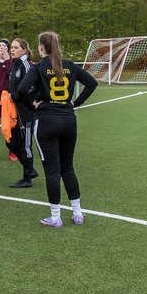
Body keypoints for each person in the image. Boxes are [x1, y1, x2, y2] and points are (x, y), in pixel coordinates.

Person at [16, 31, 98, 227]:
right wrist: (74, 103)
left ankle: (55, 217)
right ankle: (78, 213)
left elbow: (21, 90)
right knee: (68, 168)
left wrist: (32, 105)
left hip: (46, 121)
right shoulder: (69, 65)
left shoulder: (39, 67)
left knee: (52, 171)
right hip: (69, 120)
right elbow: (92, 83)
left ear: (42, 47)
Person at [7, 37, 39, 188]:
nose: (12, 50)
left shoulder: (26, 65)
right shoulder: (14, 65)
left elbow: (28, 89)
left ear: (24, 50)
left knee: (25, 145)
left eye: (15, 47)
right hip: (14, 111)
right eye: (11, 47)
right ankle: (30, 169)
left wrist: (14, 96)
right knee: (11, 142)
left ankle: (27, 178)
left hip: (25, 112)